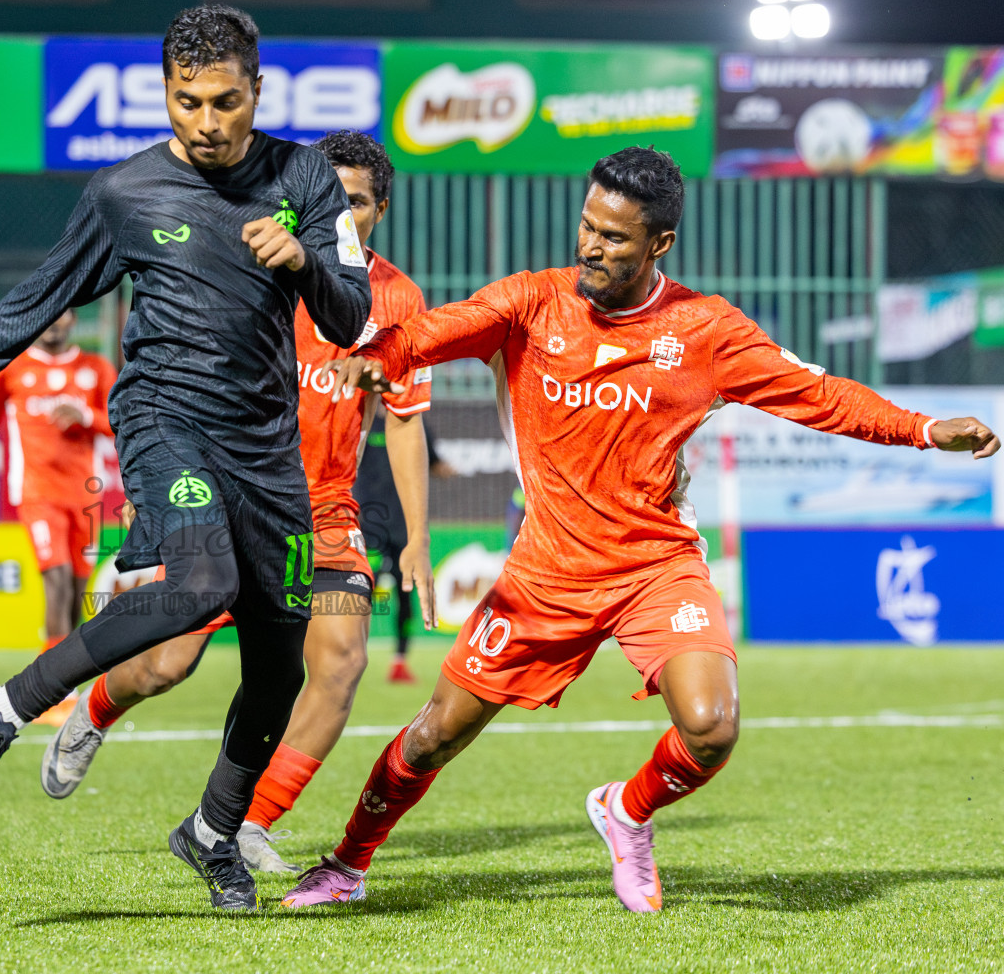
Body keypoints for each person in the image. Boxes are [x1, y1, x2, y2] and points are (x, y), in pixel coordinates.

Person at [281, 145, 1000, 913]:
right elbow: (424, 333)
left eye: (615, 237)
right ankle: (346, 865)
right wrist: (375, 356)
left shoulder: (706, 331)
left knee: (712, 726)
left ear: (660, 243)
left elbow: (821, 396)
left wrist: (924, 429)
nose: (591, 245)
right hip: (546, 572)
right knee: (432, 738)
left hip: (655, 565)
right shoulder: (532, 301)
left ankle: (626, 811)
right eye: (587, 226)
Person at [0, 5, 371, 910]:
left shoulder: (306, 177)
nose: (204, 121)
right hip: (165, 422)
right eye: (185, 101)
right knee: (200, 585)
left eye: (225, 102)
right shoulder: (125, 193)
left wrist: (303, 265)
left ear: (257, 93)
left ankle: (212, 833)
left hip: (268, 448)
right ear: (165, 93)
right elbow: (35, 298)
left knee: (280, 662)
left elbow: (352, 315)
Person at [36, 130, 437, 875]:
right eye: (331, 198)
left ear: (380, 210)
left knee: (342, 660)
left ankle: (244, 821)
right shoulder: (247, 260)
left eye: (356, 204)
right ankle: (92, 713)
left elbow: (408, 421)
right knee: (165, 667)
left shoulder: (397, 301)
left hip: (324, 516)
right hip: (229, 493)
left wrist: (417, 536)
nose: (341, 215)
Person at [0, 309, 117, 726]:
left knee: (78, 590)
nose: (54, 322)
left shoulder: (95, 369)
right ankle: (53, 695)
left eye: (62, 314)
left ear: (74, 320)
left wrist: (86, 416)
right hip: (36, 493)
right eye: (47, 314)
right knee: (58, 579)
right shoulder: (14, 367)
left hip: (86, 494)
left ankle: (55, 679)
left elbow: (123, 421)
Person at [354, 411, 453, 683]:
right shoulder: (362, 421)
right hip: (368, 524)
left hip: (404, 527)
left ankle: (399, 661)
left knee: (404, 591)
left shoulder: (412, 423)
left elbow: (432, 462)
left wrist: (447, 469)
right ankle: (349, 653)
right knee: (361, 592)